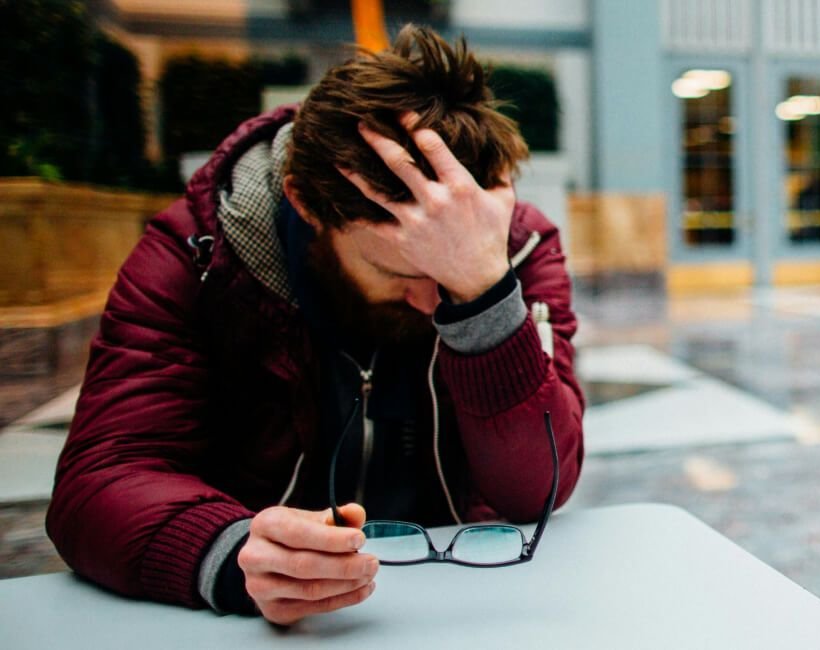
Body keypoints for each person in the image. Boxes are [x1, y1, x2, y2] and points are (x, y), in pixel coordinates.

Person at [45, 26, 584, 625]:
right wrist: (231, 552)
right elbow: (101, 481)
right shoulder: (197, 254)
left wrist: (484, 293)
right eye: (400, 270)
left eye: (453, 271)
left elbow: (536, 489)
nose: (433, 302)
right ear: (304, 202)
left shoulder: (516, 250)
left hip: (463, 605)